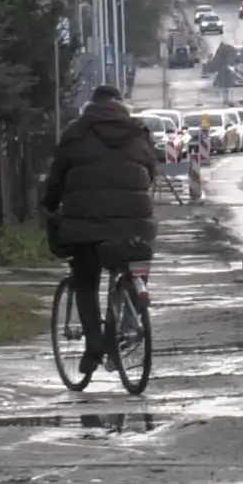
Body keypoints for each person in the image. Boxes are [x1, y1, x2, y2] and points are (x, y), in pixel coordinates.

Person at [41, 84, 159, 375]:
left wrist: (49, 204)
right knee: (131, 264)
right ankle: (128, 325)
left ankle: (94, 345)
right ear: (120, 104)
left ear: (91, 105)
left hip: (86, 227)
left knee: (86, 279)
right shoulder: (137, 131)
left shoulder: (76, 132)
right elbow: (151, 173)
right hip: (135, 224)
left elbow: (57, 177)